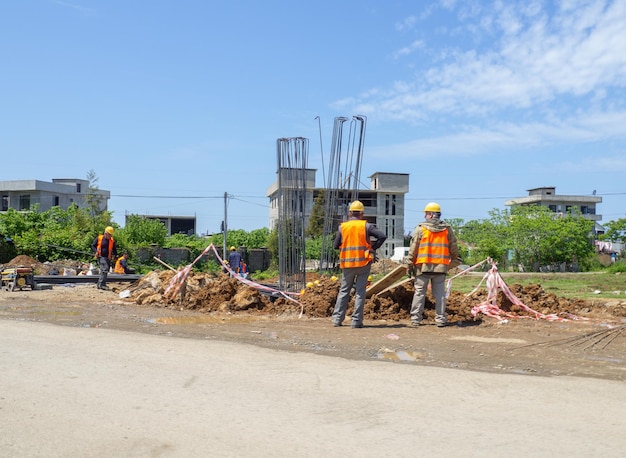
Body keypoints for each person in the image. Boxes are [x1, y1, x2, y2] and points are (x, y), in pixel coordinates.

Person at [332, 200, 387, 328]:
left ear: (350, 213)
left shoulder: (343, 227)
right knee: (360, 292)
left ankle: (337, 320)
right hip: (363, 263)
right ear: (362, 213)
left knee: (344, 291)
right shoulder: (366, 226)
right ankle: (356, 321)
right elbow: (382, 236)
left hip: (347, 264)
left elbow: (335, 245)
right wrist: (373, 248)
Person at [407, 202, 459, 327]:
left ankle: (416, 319)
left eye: (426, 213)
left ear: (430, 215)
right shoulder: (447, 229)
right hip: (441, 266)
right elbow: (453, 246)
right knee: (440, 294)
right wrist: (454, 258)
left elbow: (414, 248)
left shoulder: (421, 228)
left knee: (419, 292)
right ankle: (440, 319)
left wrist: (409, 263)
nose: (425, 216)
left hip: (423, 267)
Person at [91, 226, 118, 290]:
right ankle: (102, 284)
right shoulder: (99, 238)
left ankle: (100, 284)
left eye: (111, 235)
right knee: (105, 269)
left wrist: (115, 255)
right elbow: (93, 245)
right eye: (109, 234)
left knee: (105, 270)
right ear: (105, 233)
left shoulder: (111, 241)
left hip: (107, 258)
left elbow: (114, 249)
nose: (110, 236)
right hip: (101, 257)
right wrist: (96, 251)